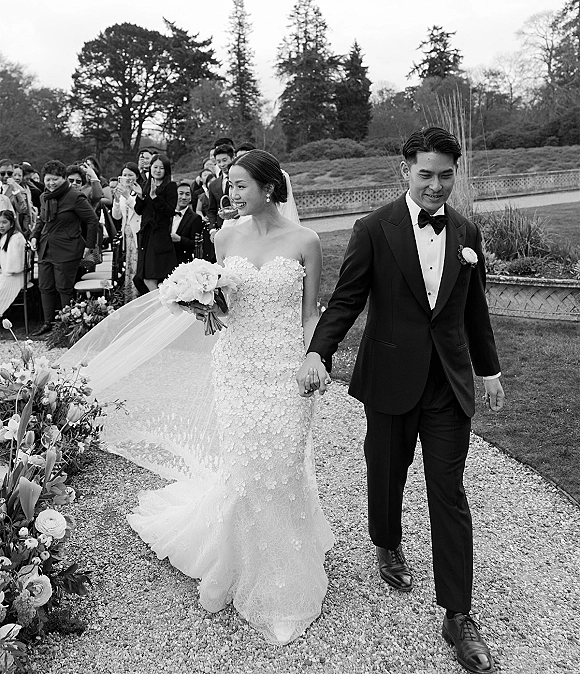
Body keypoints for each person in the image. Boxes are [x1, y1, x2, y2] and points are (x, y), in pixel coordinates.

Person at [59, 149, 333, 645]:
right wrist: (200, 302)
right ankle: (242, 563)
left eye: (241, 185)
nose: (231, 193)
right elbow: (225, 305)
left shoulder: (306, 241)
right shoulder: (225, 236)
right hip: (235, 367)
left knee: (282, 461)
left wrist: (316, 356)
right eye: (229, 184)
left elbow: (311, 312)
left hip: (285, 369)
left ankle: (286, 556)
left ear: (269, 188)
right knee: (247, 464)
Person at [297, 127, 505, 674]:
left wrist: (490, 370)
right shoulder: (373, 229)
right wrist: (319, 353)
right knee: (386, 472)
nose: (436, 185)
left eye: (445, 175)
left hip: (448, 385)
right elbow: (346, 301)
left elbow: (473, 309)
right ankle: (386, 541)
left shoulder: (466, 231)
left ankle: (458, 614)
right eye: (426, 174)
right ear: (404, 170)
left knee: (449, 492)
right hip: (389, 377)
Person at [30, 160, 99, 335]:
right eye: (48, 179)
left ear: (63, 178)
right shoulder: (44, 196)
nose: (51, 183)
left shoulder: (74, 196)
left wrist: (89, 247)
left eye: (55, 179)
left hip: (68, 248)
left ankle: (67, 325)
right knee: (45, 286)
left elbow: (92, 220)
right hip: (46, 247)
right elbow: (41, 219)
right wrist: (34, 236)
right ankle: (48, 323)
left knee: (64, 287)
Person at [133, 153, 177, 293]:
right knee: (141, 277)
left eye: (161, 168)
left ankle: (159, 309)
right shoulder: (146, 185)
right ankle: (158, 308)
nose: (157, 170)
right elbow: (139, 211)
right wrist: (140, 196)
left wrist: (155, 197)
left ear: (166, 170)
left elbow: (170, 211)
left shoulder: (170, 186)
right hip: (145, 235)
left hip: (159, 235)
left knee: (152, 277)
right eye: (155, 167)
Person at [111, 162, 142, 302]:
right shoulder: (121, 193)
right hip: (127, 234)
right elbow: (116, 216)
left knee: (138, 266)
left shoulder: (140, 192)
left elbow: (140, 211)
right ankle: (129, 297)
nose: (127, 178)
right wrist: (117, 200)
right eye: (124, 175)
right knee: (128, 266)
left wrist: (128, 196)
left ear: (136, 177)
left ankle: (139, 296)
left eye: (130, 175)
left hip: (139, 233)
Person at [170, 182, 209, 265]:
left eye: (187, 194)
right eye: (181, 194)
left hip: (182, 262)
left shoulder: (195, 218)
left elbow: (195, 244)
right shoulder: (167, 214)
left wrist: (180, 239)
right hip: (165, 259)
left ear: (191, 198)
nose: (184, 197)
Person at [0, 209, 27, 318]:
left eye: (4, 222)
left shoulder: (16, 238)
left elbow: (15, 267)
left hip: (15, 277)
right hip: (7, 274)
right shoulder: (6, 237)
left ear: (11, 223)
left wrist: (3, 271)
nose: (1, 225)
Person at [207, 143, 235, 237]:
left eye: (224, 160)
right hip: (221, 229)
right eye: (218, 161)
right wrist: (212, 229)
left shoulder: (241, 180)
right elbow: (212, 210)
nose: (222, 164)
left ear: (232, 158)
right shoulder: (213, 185)